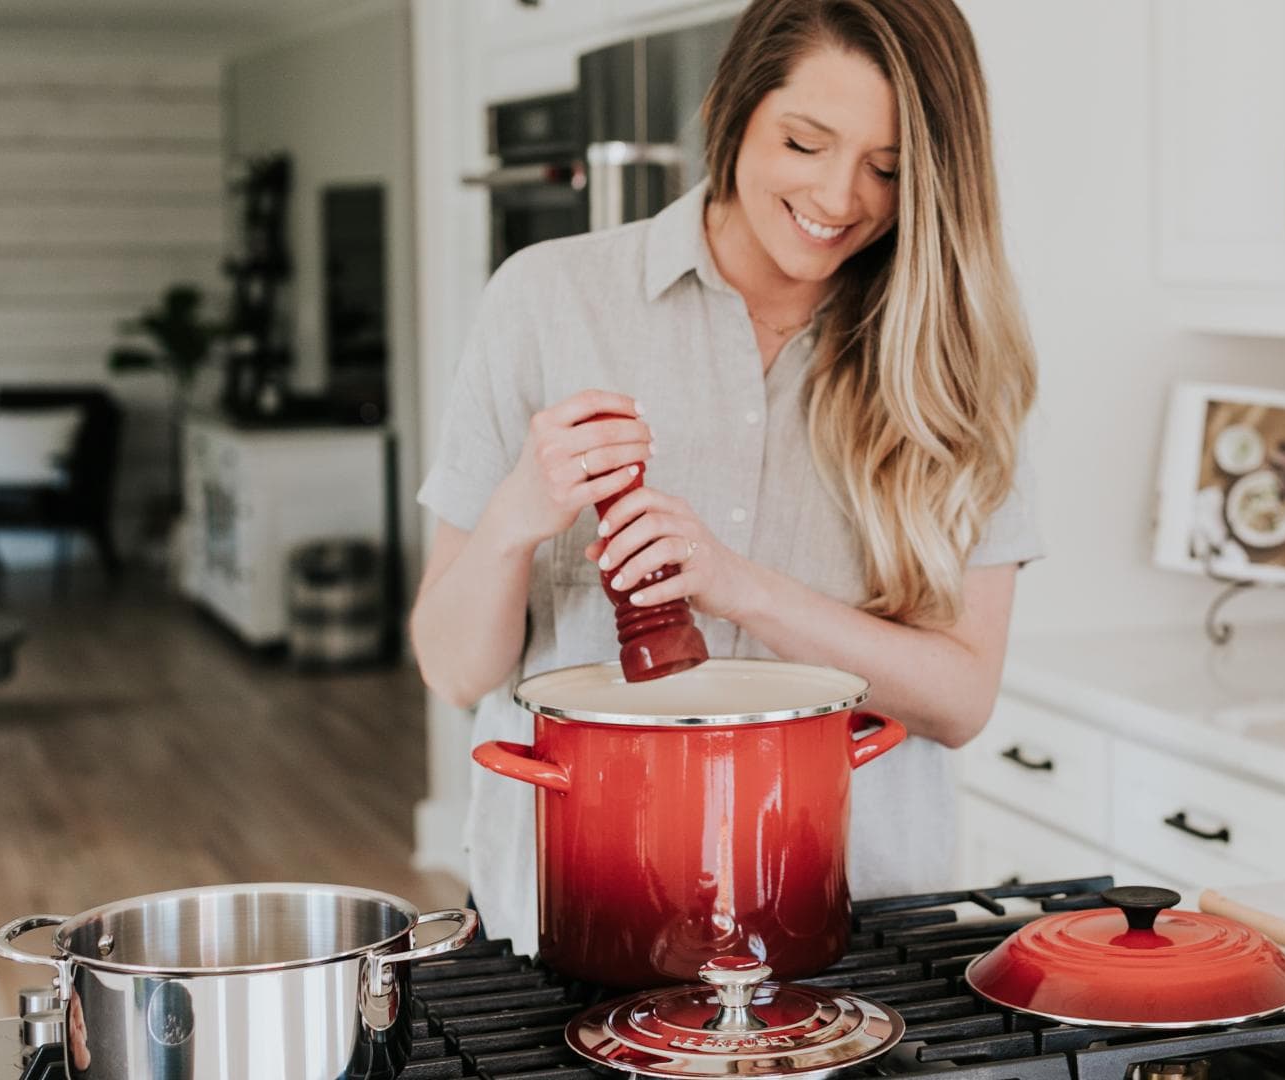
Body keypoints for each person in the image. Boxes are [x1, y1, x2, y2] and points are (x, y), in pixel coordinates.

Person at [411, 0, 1039, 952]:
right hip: (576, 925)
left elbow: (960, 700)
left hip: (855, 935)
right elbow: (453, 666)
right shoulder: (548, 300)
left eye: (888, 169)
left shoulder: (957, 363)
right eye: (804, 142)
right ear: (735, 111)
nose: (838, 197)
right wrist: (515, 518)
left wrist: (736, 585)